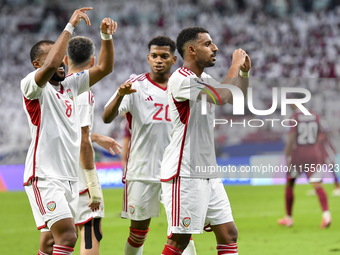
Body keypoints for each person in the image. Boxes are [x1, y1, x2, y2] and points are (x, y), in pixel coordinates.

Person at [21, 7, 116, 255]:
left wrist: (106, 37)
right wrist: (70, 26)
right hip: (44, 175)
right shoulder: (33, 86)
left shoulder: (71, 86)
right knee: (67, 236)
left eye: (64, 56)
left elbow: (105, 67)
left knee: (52, 242)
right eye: (55, 55)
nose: (62, 60)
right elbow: (52, 63)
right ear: (37, 64)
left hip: (69, 178)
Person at [159, 27, 250, 255]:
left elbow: (237, 100)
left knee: (229, 233)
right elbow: (220, 97)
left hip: (208, 171)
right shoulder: (180, 79)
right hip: (185, 172)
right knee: (179, 241)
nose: (215, 48)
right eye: (208, 44)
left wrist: (244, 75)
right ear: (191, 49)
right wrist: (235, 65)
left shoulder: (203, 78)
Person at [102, 36, 196, 255]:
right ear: (148, 58)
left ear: (174, 59)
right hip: (142, 170)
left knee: (183, 232)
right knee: (138, 232)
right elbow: (107, 117)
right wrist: (119, 95)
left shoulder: (182, 85)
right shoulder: (135, 85)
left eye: (164, 56)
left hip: (175, 171)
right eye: (154, 56)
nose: (158, 60)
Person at [67, 36, 122, 255]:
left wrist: (95, 137)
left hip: (54, 172)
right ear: (92, 62)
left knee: (59, 237)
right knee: (91, 229)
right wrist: (93, 184)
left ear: (64, 59)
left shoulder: (54, 88)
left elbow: (70, 131)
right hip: (77, 172)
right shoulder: (82, 92)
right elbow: (81, 140)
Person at [278, 102, 332, 228]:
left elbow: (291, 137)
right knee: (317, 184)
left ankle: (289, 218)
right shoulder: (316, 115)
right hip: (313, 153)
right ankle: (326, 215)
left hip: (298, 154)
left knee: (290, 183)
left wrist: (287, 155)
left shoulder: (294, 117)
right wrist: (315, 144)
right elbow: (325, 132)